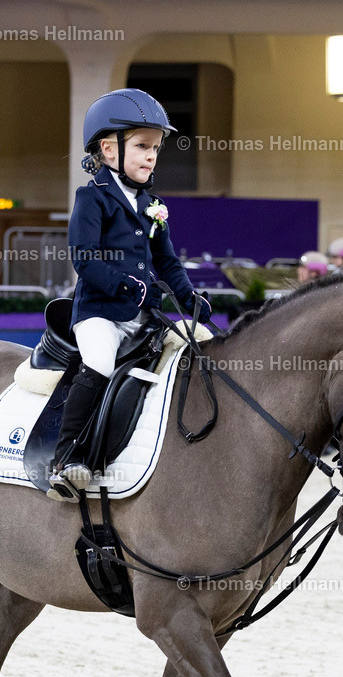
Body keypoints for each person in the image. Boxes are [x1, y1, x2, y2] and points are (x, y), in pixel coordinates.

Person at [47, 88, 212, 501]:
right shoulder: (92, 198)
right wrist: (123, 284)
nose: (151, 156)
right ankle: (66, 457)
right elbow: (84, 259)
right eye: (141, 146)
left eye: (155, 148)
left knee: (196, 355)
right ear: (109, 149)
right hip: (100, 313)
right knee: (100, 364)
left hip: (144, 317)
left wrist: (189, 299)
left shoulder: (153, 205)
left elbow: (168, 263)